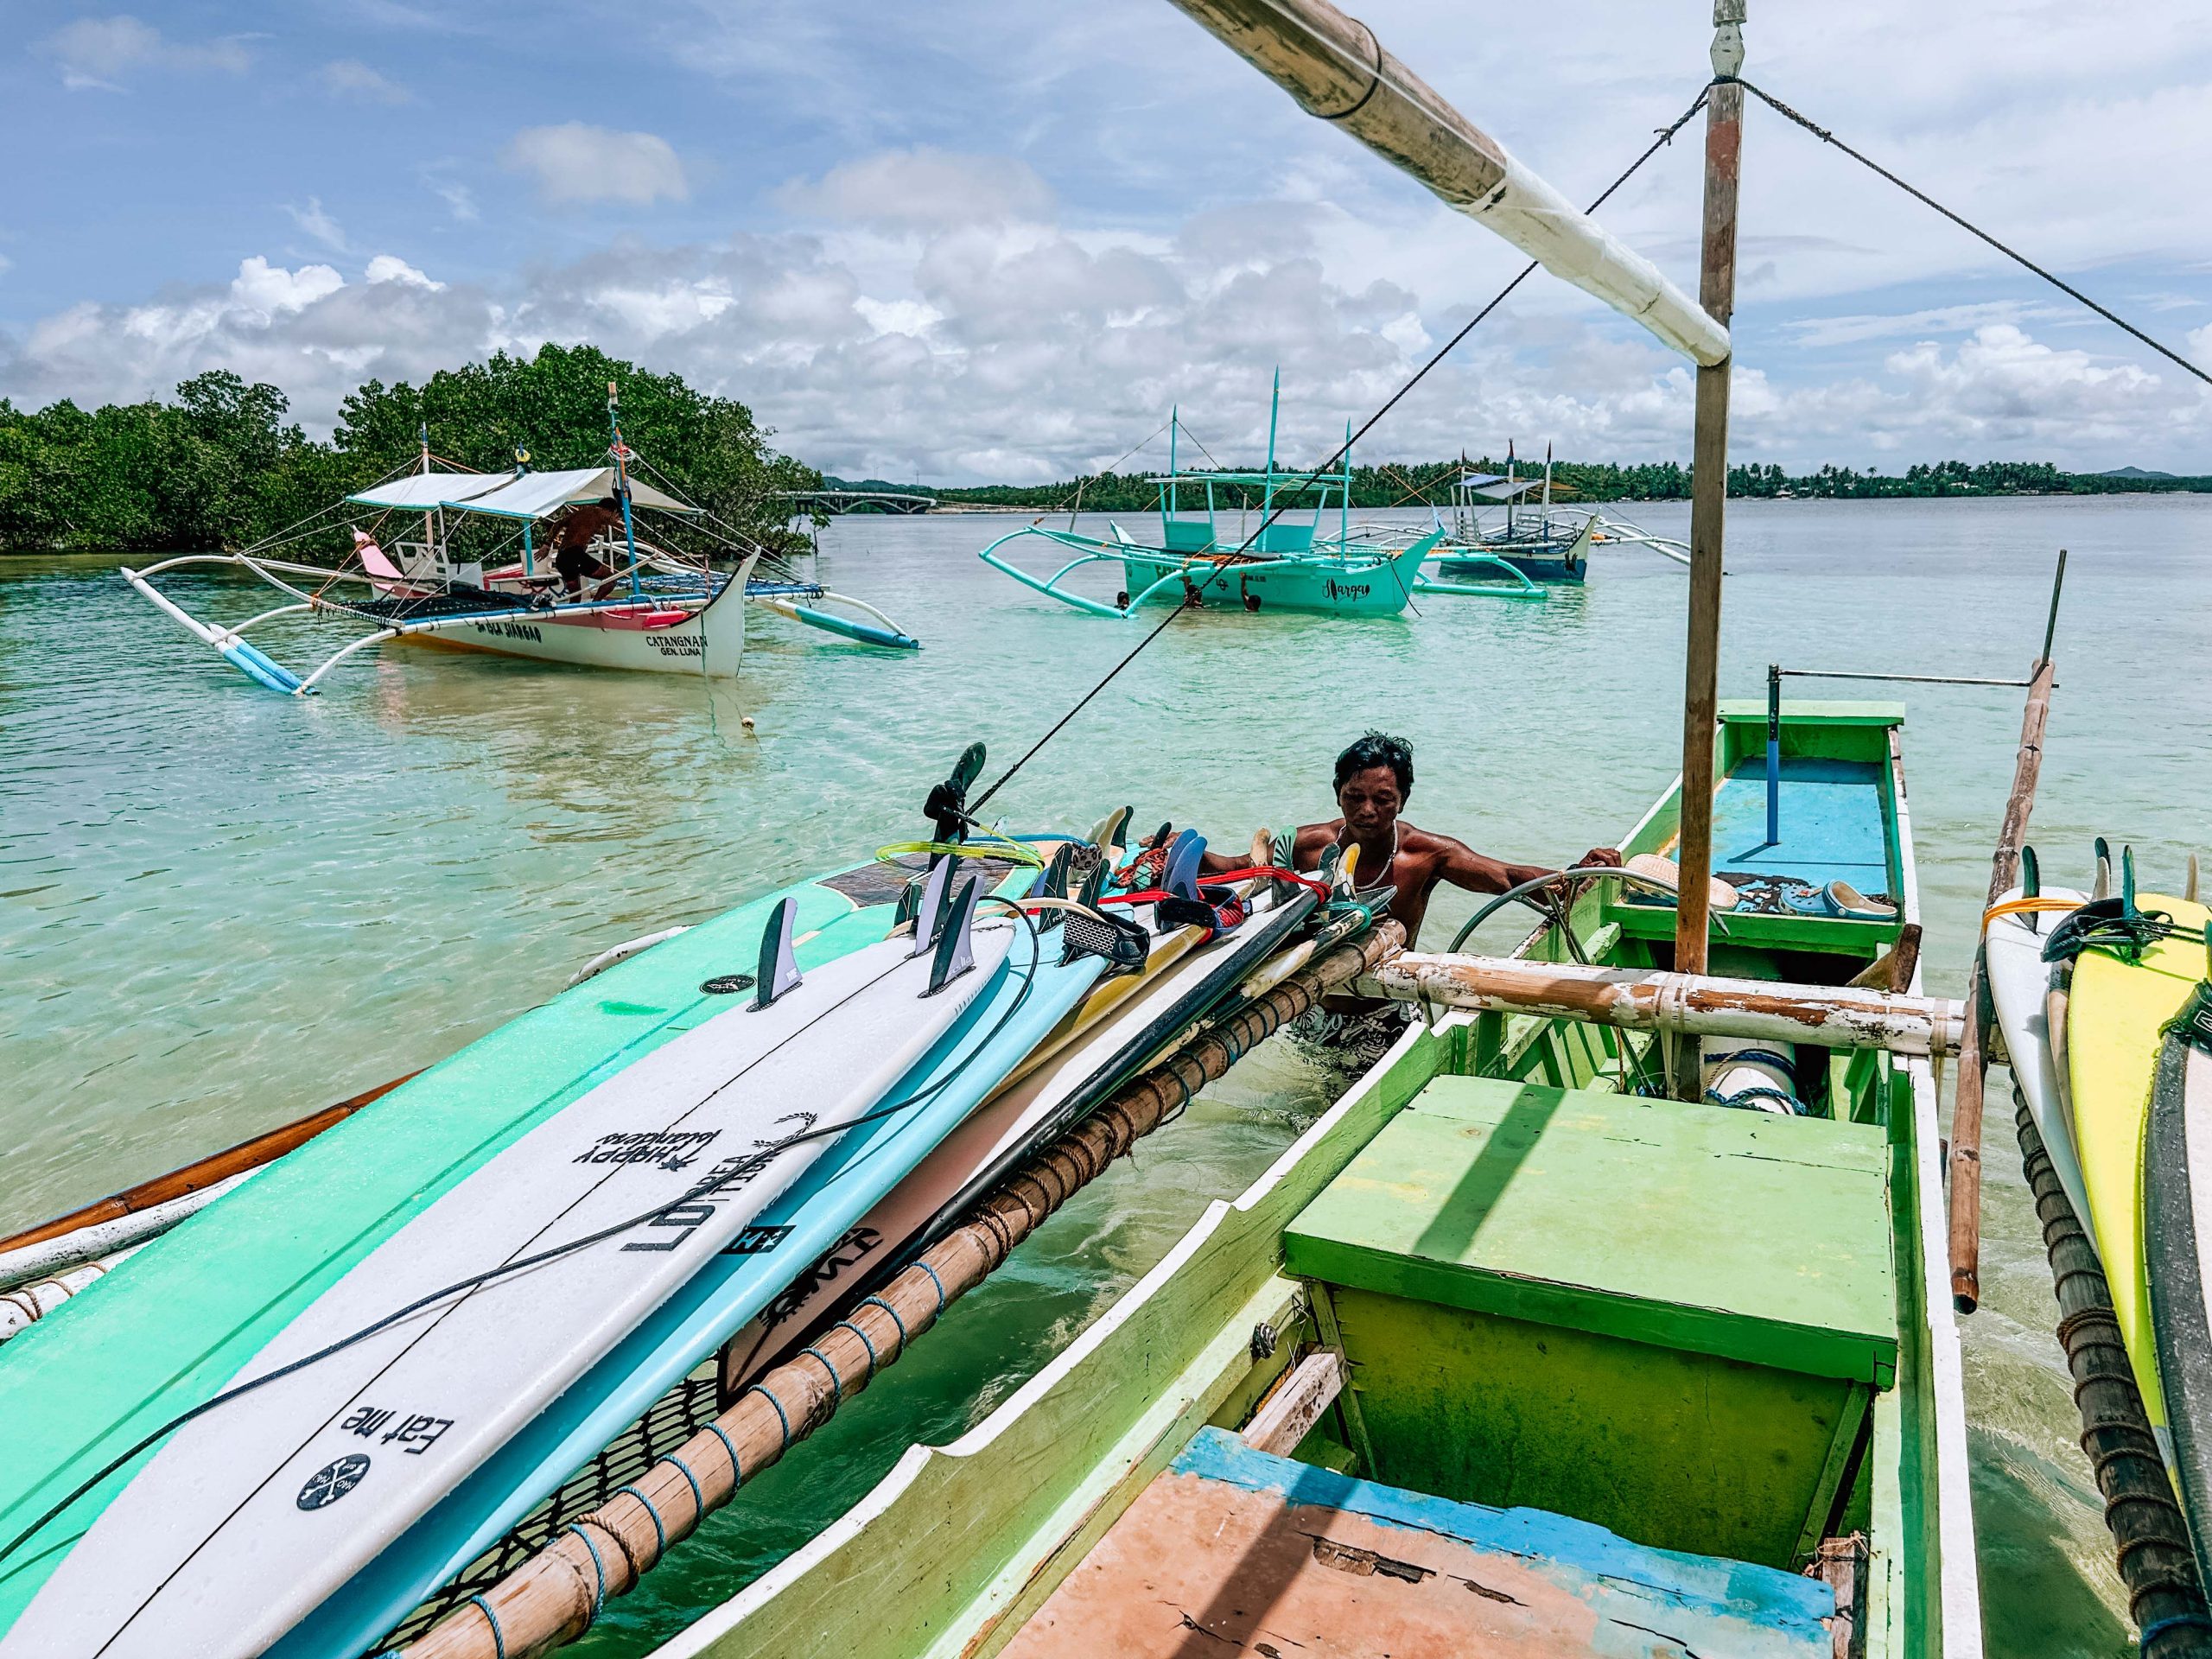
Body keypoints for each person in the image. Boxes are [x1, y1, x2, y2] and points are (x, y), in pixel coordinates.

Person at [1210, 730, 1620, 949]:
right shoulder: (1305, 846)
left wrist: (1573, 875)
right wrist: (1180, 853)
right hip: (1315, 1009)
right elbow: (1239, 871)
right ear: (1338, 794)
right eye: (1354, 797)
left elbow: (1509, 879)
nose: (1367, 810)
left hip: (1387, 1007)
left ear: (1402, 801)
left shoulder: (1425, 855)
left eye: (1383, 799)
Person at [545, 495, 628, 601]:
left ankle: (576, 614)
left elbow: (558, 523)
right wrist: (547, 545)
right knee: (611, 579)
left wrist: (620, 524)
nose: (612, 518)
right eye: (613, 515)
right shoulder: (592, 515)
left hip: (562, 558)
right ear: (606, 511)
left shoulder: (588, 513)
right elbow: (605, 523)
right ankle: (595, 605)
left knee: (576, 596)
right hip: (573, 554)